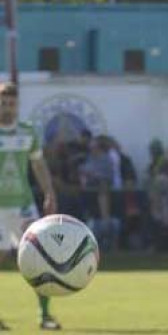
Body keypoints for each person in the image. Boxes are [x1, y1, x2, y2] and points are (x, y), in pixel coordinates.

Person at [0, 83, 63, 330]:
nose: (7, 106)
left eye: (11, 102)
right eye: (3, 102)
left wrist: (49, 191)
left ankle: (45, 315)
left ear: (17, 105)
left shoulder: (27, 132)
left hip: (24, 206)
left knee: (39, 257)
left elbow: (38, 165)